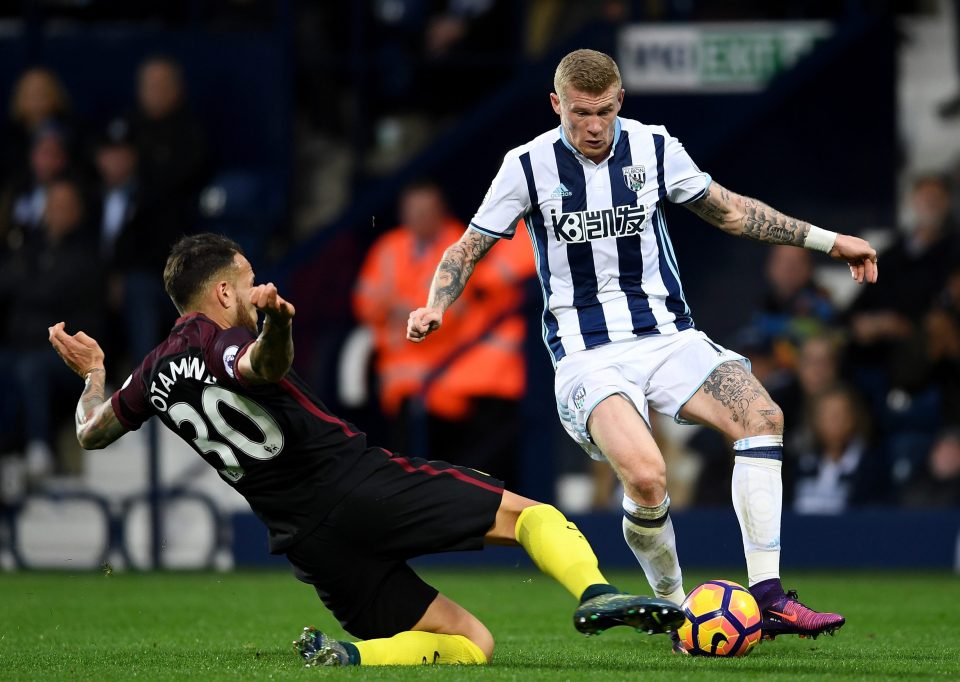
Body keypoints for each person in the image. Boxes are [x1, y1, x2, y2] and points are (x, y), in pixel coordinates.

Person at [408, 48, 879, 642]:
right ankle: (675, 605)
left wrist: (830, 242)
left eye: (604, 110)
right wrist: (436, 304)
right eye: (580, 113)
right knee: (648, 477)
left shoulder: (655, 148)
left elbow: (731, 212)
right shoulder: (526, 166)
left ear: (620, 101)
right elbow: (467, 247)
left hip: (667, 336)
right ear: (557, 105)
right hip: (587, 356)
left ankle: (770, 595)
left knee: (763, 417)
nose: (594, 125)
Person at [47, 233, 682, 668]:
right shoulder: (223, 344)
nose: (254, 288)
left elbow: (89, 432)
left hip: (308, 543)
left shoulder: (151, 373)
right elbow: (260, 368)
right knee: (528, 516)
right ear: (220, 293)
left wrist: (94, 377)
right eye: (245, 282)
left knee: (472, 643)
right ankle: (597, 593)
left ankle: (352, 656)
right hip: (357, 487)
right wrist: (281, 322)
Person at [353, 181, 534, 481]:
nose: (419, 217)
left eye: (426, 210)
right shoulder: (389, 247)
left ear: (441, 211)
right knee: (401, 467)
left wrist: (403, 310)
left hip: (447, 380)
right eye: (413, 211)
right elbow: (365, 301)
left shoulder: (462, 244)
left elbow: (454, 313)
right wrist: (395, 309)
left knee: (452, 470)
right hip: (399, 381)